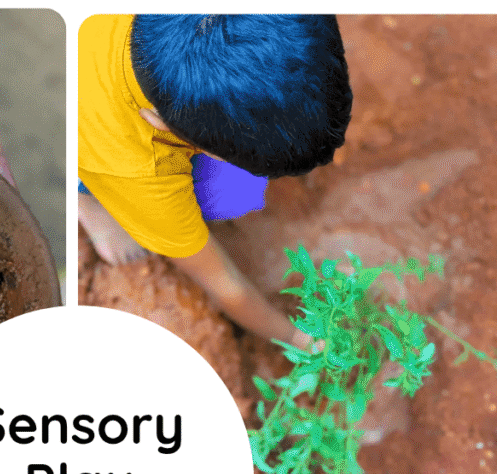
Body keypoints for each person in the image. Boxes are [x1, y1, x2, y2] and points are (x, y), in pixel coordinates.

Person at [78, 14, 352, 350]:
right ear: (160, 123)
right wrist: (295, 337)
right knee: (235, 192)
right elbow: (224, 284)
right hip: (86, 134)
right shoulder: (142, 172)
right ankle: (86, 200)